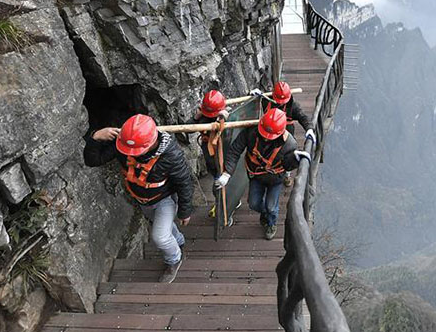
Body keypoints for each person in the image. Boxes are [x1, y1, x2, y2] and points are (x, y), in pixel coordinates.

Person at [83, 114, 194, 283]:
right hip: (142, 200)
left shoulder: (171, 155)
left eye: (137, 152)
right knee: (164, 226)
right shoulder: (124, 144)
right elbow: (93, 160)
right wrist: (95, 137)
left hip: (164, 200)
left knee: (160, 237)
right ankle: (179, 241)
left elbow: (185, 182)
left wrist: (185, 211)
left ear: (151, 144)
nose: (131, 155)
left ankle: (174, 259)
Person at [215, 108, 309, 240]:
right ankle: (265, 213)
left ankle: (271, 223)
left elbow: (287, 165)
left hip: (275, 179)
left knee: (272, 207)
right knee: (253, 203)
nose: (265, 138)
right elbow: (235, 150)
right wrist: (227, 173)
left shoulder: (289, 144)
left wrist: (295, 160)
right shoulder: (251, 132)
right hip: (256, 175)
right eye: (264, 134)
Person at [251, 81, 316, 145]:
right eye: (279, 101)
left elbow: (303, 117)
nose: (281, 103)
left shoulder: (293, 106)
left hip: (286, 137)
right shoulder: (266, 100)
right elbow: (257, 99)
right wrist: (255, 96)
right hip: (269, 134)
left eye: (283, 101)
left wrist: (309, 129)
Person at [186, 90, 230, 180]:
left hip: (223, 151)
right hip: (209, 152)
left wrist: (224, 119)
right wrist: (195, 118)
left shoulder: (225, 115)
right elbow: (187, 129)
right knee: (214, 170)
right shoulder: (203, 116)